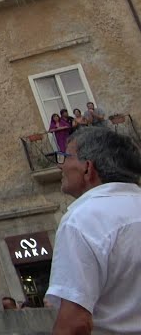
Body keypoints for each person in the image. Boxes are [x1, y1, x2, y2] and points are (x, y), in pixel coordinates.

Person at [46, 127, 141, 335]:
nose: (61, 166)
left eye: (66, 157)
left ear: (88, 168)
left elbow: (75, 323)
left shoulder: (82, 219)